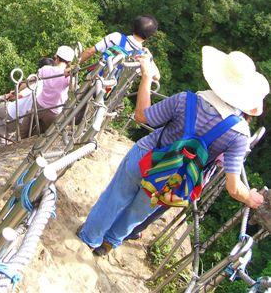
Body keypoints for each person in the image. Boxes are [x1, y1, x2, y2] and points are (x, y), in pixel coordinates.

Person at [77, 46, 269, 256]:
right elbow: (234, 188)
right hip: (175, 178)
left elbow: (143, 117)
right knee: (138, 212)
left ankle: (89, 237)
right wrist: (250, 197)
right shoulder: (239, 134)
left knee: (116, 197)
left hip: (147, 155)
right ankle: (109, 243)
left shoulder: (186, 100)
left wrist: (146, 78)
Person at [0, 58, 55, 146]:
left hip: (16, 114)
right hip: (30, 122)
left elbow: (18, 95)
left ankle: (3, 139)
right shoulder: (53, 86)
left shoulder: (35, 81)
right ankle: (6, 136)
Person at [80, 15, 160, 81]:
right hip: (108, 93)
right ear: (149, 36)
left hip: (91, 78)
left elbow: (90, 52)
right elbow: (156, 77)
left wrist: (73, 66)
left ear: (134, 26)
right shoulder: (142, 57)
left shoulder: (116, 37)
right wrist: (150, 57)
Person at [20, 47, 74, 138]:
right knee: (43, 134)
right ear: (69, 62)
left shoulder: (45, 69)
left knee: (23, 132)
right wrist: (73, 73)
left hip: (39, 105)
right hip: (54, 111)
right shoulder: (68, 76)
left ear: (56, 58)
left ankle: (19, 141)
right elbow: (73, 89)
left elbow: (33, 80)